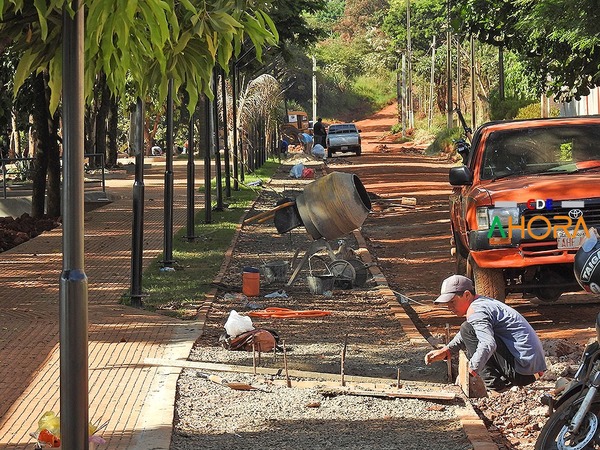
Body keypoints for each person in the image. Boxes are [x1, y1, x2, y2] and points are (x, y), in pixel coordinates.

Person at [424, 274, 547, 392]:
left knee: (468, 328)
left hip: (523, 371)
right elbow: (469, 334)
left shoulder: (477, 310)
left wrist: (470, 370)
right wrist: (447, 351)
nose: (449, 307)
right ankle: (501, 383)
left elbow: (488, 343)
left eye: (452, 302)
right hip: (530, 370)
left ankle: (495, 388)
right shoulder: (483, 303)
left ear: (467, 295)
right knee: (468, 329)